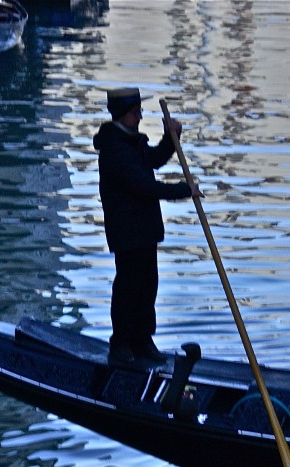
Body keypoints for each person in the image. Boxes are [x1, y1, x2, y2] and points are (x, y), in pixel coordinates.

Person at [93, 87, 202, 365]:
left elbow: (153, 160)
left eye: (139, 111)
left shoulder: (132, 141)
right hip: (127, 230)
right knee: (129, 287)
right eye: (136, 112)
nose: (140, 117)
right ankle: (121, 343)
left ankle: (142, 340)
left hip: (144, 229)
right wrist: (184, 190)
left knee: (147, 285)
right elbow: (144, 186)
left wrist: (171, 137)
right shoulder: (115, 149)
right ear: (122, 115)